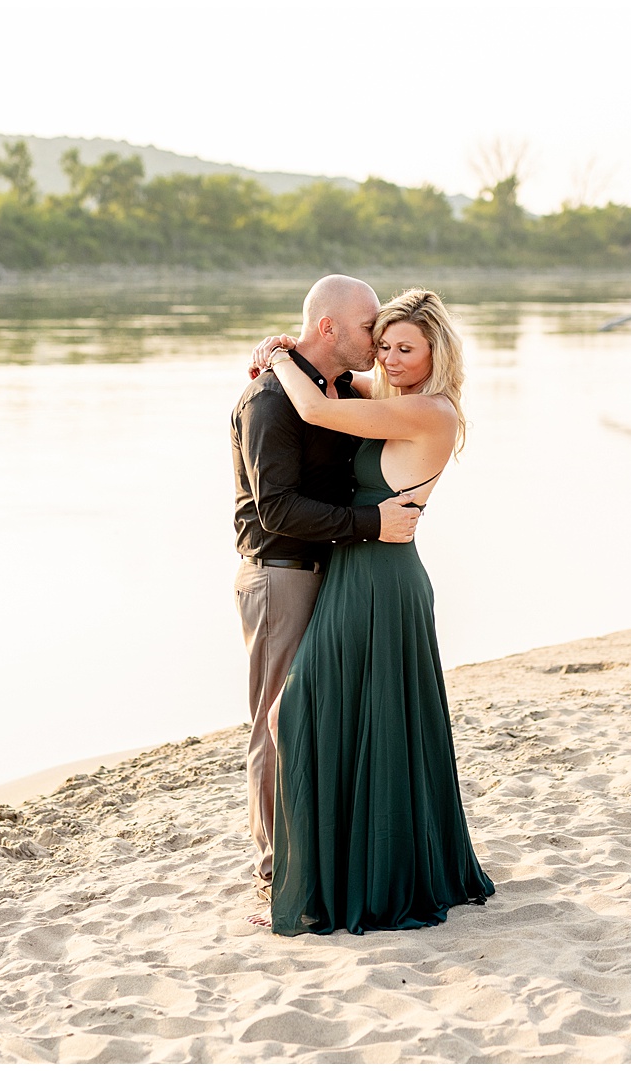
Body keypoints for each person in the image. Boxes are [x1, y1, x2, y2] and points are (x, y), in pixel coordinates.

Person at [252, 288, 495, 936]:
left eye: (405, 347)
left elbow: (312, 403)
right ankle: (329, 869)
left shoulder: (428, 411)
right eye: (383, 342)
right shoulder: (389, 397)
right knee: (349, 718)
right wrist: (290, 348)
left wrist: (276, 355)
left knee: (302, 711)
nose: (389, 356)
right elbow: (336, 375)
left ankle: (325, 876)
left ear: (436, 350)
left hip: (382, 580)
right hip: (356, 570)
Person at [230, 274, 423, 904]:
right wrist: (372, 524)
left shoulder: (337, 389)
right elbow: (277, 509)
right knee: (276, 721)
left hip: (332, 573)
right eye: (371, 326)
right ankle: (273, 869)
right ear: (330, 327)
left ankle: (316, 852)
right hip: (280, 574)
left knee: (313, 714)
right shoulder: (270, 399)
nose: (378, 337)